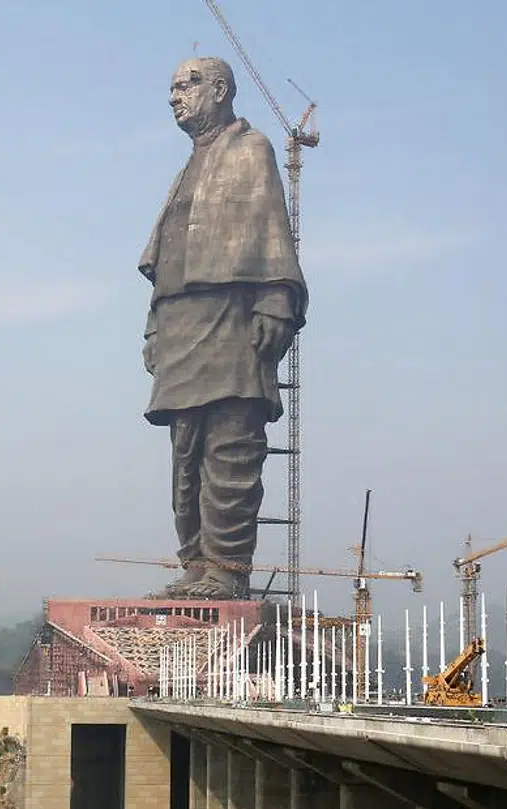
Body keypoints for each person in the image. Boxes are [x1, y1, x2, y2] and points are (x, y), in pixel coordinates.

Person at [138, 56, 308, 600]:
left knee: (231, 444)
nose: (174, 96)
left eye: (186, 84)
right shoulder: (187, 167)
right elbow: (164, 256)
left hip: (231, 318)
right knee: (185, 453)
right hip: (179, 321)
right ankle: (195, 565)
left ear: (219, 89)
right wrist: (153, 330)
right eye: (171, 86)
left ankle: (227, 570)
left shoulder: (250, 149)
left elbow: (271, 230)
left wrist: (277, 297)